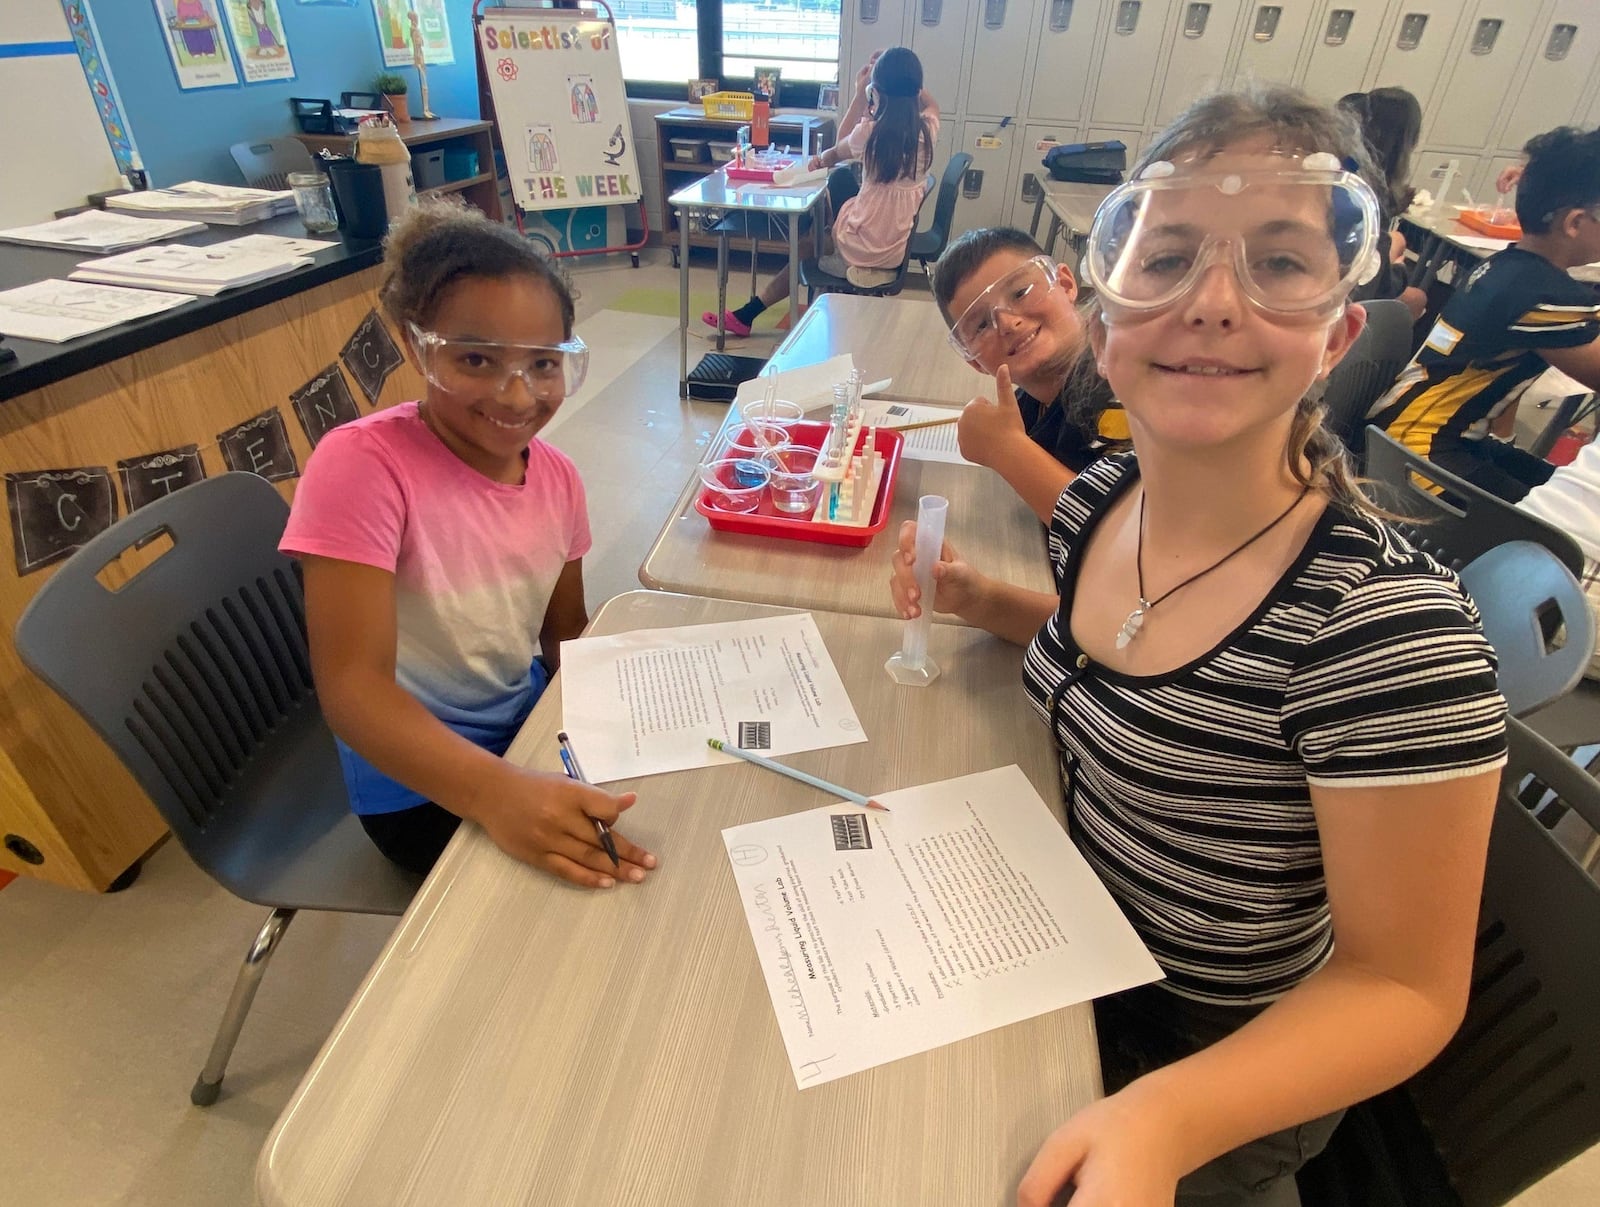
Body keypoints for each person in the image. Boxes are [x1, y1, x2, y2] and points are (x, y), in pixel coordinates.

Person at [889, 86, 1506, 1207]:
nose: (1212, 302)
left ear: (1338, 333)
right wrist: (983, 597)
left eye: (1276, 264)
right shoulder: (1101, 500)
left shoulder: (1382, 629)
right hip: (1066, 952)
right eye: (1167, 258)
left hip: (1213, 1055)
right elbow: (1134, 663)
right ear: (1112, 327)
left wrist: (1169, 1116)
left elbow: (1405, 987)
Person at [280, 197, 657, 886]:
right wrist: (498, 792)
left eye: (544, 364)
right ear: (412, 341)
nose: (517, 397)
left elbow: (563, 635)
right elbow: (352, 689)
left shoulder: (559, 478)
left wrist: (637, 707)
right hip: (418, 786)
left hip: (526, 736)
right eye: (477, 359)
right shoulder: (361, 467)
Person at [1368, 124, 1600, 503]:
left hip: (1406, 432)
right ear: (1574, 223)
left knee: (1558, 491)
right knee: (1557, 531)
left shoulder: (1512, 267)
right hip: (1419, 454)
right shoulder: (1544, 298)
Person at [703, 47, 939, 335]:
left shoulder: (870, 134)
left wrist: (859, 91)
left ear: (878, 93)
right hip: (892, 250)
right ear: (916, 91)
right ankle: (748, 312)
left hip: (861, 251)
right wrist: (905, 78)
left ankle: (748, 314)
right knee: (827, 212)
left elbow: (839, 144)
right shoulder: (928, 131)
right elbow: (932, 105)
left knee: (809, 240)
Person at [932, 227, 1125, 522]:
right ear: (974, 362)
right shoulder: (1030, 405)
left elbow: (1124, 533)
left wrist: (1004, 448)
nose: (1007, 323)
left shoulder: (1118, 384)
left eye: (1021, 293)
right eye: (982, 325)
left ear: (1065, 283)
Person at [1338, 87, 1428, 318]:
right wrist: (1398, 268)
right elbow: (1371, 279)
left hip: (1344, 270)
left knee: (1395, 243)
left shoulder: (1346, 164)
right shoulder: (1369, 190)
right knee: (1417, 298)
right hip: (1346, 288)